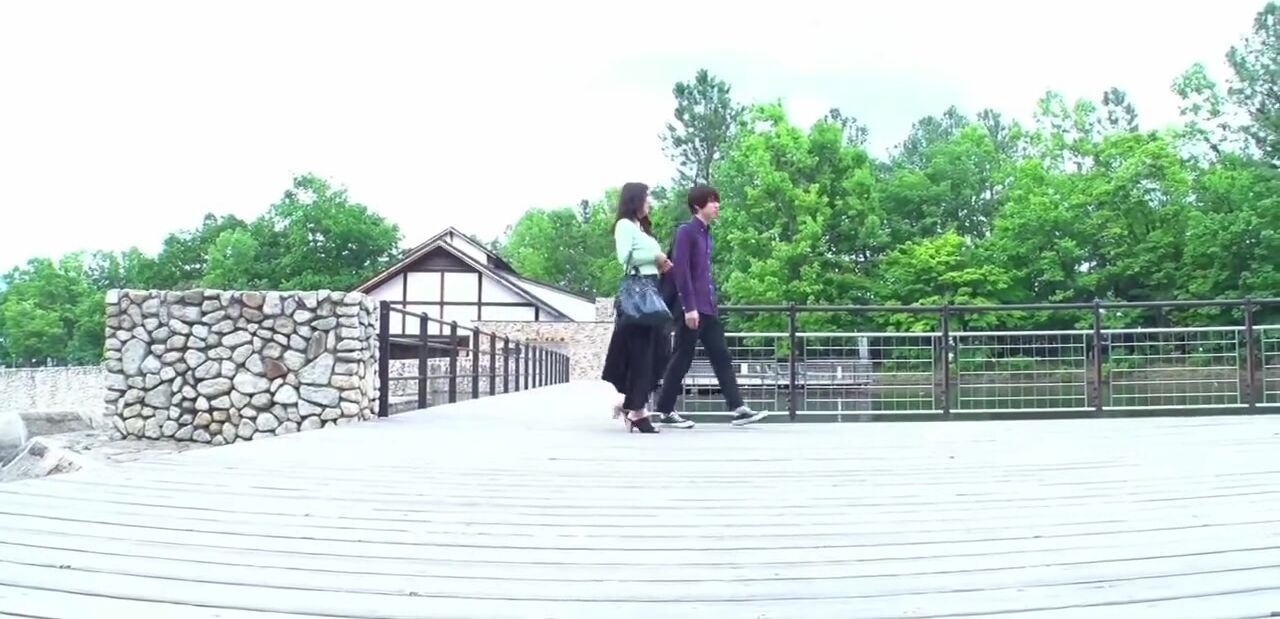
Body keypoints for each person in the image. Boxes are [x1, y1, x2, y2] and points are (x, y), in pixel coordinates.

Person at [653, 184, 768, 428]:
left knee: (721, 356)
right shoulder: (686, 231)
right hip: (692, 309)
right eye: (712, 201)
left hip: (708, 308)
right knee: (682, 358)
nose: (717, 205)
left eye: (717, 201)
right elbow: (681, 271)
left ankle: (738, 408)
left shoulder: (705, 233)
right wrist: (689, 307)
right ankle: (664, 410)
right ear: (698, 205)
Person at [600, 182, 672, 434]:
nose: (649, 202)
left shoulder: (640, 227)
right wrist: (655, 257)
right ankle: (637, 411)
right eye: (646, 197)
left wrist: (661, 263)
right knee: (642, 353)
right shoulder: (624, 225)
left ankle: (631, 404)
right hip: (639, 294)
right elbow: (625, 257)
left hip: (651, 289)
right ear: (635, 199)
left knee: (658, 350)